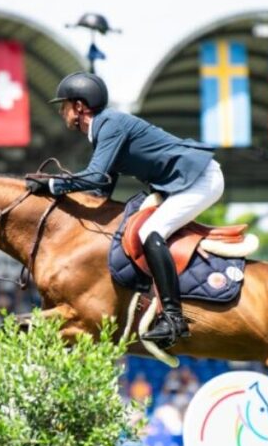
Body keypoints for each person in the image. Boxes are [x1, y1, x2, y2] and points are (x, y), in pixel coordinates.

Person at [26, 72, 223, 347]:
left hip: (199, 179)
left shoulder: (110, 123)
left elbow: (95, 177)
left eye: (65, 105)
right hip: (182, 182)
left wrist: (53, 185)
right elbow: (100, 191)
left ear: (80, 106)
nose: (62, 111)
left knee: (150, 231)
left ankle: (174, 318)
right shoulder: (104, 129)